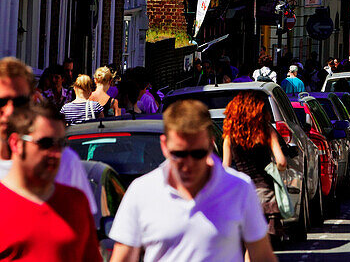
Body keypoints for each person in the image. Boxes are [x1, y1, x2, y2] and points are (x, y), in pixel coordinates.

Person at [110, 99, 277, 262]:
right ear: (164, 146)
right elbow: (122, 257)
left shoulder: (239, 188)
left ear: (211, 145)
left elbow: (262, 256)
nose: (188, 165)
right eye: (179, 154)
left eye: (198, 154)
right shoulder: (142, 191)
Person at [0, 103, 100, 262]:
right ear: (16, 143)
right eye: (45, 143)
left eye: (60, 144)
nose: (55, 154)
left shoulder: (76, 202)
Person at [0, 56, 96, 213]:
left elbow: (83, 225)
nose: (9, 111)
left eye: (19, 102)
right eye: (1, 102)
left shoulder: (63, 161)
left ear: (33, 100)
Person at [223, 90, 287, 237]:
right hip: (265, 196)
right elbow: (282, 162)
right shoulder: (267, 130)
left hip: (241, 196)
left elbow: (225, 168)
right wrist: (274, 169)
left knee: (246, 246)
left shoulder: (229, 135)